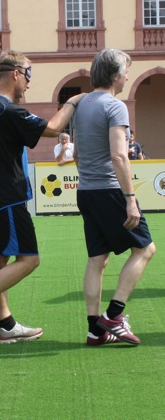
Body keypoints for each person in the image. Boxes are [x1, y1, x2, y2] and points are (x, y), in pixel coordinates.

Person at [0, 50, 85, 344]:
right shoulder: (6, 109)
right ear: (15, 73)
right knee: (29, 260)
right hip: (5, 197)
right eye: (28, 75)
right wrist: (72, 101)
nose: (28, 83)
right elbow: (53, 129)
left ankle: (6, 325)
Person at [72, 48, 156, 346]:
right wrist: (130, 198)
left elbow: (78, 155)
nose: (128, 76)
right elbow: (120, 155)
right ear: (116, 75)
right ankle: (114, 316)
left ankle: (95, 330)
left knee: (97, 259)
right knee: (145, 249)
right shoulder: (115, 106)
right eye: (126, 71)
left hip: (87, 191)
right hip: (110, 191)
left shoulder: (81, 105)